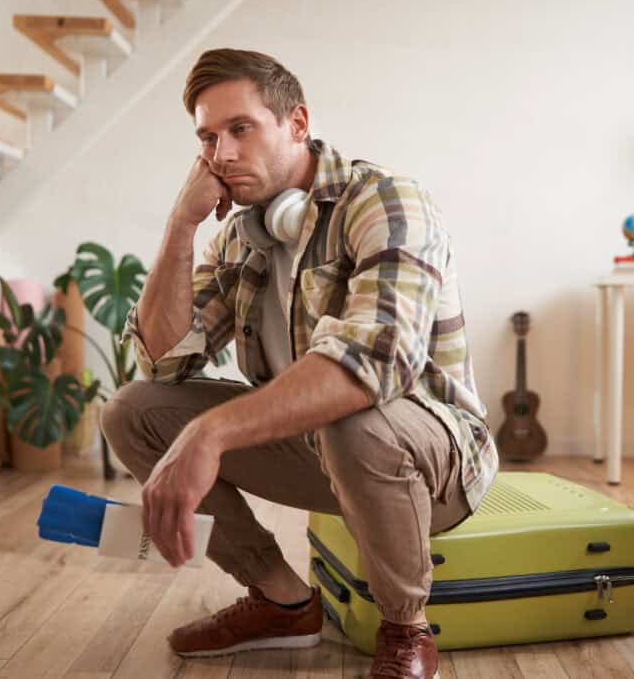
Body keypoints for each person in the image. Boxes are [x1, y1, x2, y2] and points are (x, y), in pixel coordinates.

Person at [100, 48, 497, 679]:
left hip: (435, 461)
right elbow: (164, 361)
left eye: (240, 128)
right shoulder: (240, 235)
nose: (220, 154)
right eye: (207, 137)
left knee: (352, 414)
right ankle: (281, 602)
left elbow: (374, 364)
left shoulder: (387, 201)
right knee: (133, 413)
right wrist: (181, 225)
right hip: (320, 453)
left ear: (297, 123)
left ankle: (406, 627)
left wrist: (212, 431)